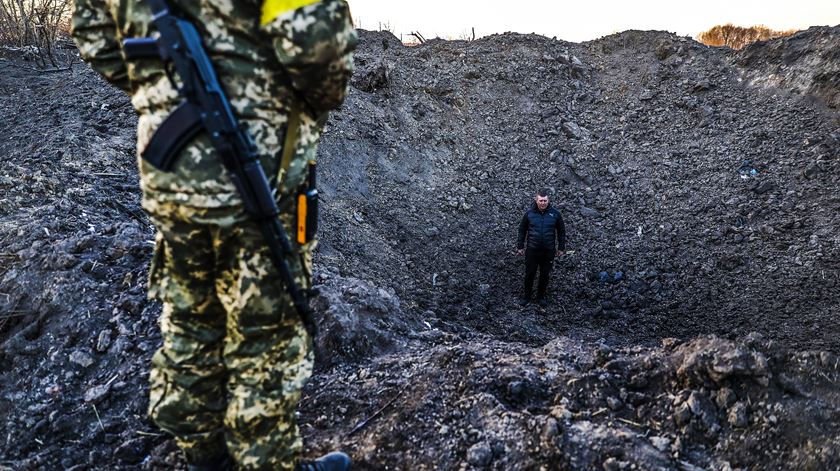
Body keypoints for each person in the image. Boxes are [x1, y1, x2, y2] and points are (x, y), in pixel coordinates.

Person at [71, 1, 357, 470]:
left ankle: (204, 453)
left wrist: (161, 91)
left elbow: (95, 33)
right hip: (256, 173)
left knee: (191, 314)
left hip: (170, 173)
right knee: (265, 335)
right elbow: (320, 56)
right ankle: (265, 461)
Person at [516, 189, 566, 307]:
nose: (543, 203)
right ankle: (527, 297)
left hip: (548, 251)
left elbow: (561, 232)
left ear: (548, 200)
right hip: (532, 250)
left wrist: (561, 248)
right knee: (530, 274)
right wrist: (520, 246)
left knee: (545, 274)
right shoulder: (529, 214)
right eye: (541, 200)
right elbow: (522, 230)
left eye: (545, 200)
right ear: (536, 200)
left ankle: (541, 297)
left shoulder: (555, 214)